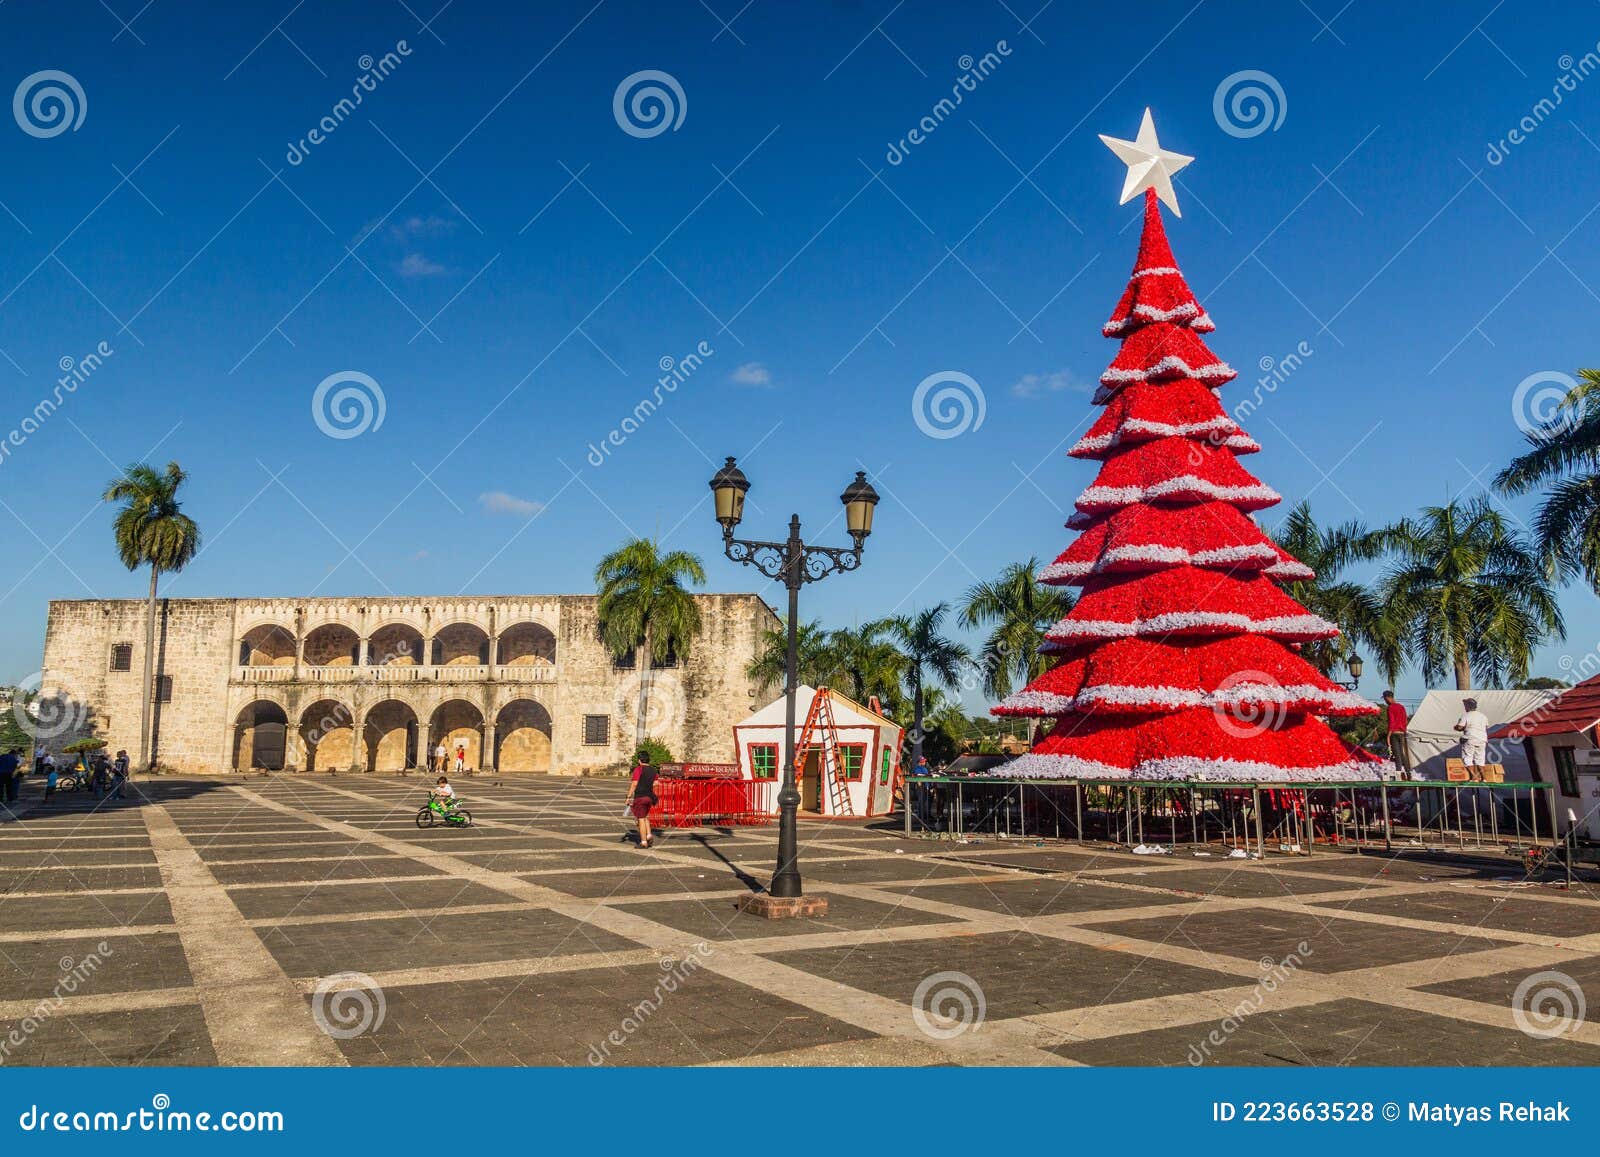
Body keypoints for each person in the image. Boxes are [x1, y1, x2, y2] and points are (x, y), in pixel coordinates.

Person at [625, 753, 660, 850]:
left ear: (639, 760)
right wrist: (648, 786)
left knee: (640, 819)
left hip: (640, 797)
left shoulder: (638, 769)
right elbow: (656, 783)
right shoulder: (653, 770)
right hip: (650, 797)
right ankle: (648, 835)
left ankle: (643, 842)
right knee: (645, 816)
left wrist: (628, 797)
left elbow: (634, 784)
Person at [1455, 697, 1491, 779]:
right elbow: (1485, 727)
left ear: (1467, 706)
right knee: (1480, 759)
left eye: (1465, 705)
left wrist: (1456, 727)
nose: (1464, 707)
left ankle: (1473, 777)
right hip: (1482, 739)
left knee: (1467, 758)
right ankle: (1484, 779)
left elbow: (1460, 727)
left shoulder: (1466, 715)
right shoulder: (1483, 716)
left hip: (1470, 738)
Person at [1382, 690, 1412, 778]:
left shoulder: (1390, 708)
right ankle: (1408, 774)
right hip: (1402, 733)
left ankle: (1398, 775)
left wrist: (1388, 735)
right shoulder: (1401, 707)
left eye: (1385, 699)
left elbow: (1392, 722)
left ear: (1388, 698)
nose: (1385, 701)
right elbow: (1405, 720)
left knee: (1397, 755)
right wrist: (1404, 730)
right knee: (1403, 755)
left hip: (1394, 733)